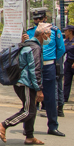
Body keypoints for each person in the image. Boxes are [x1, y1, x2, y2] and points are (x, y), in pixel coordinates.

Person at [0, 23, 45, 145]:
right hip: (25, 83)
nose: (50, 39)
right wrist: (39, 88)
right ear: (42, 35)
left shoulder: (26, 44)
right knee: (29, 111)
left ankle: (29, 136)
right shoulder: (35, 48)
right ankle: (4, 124)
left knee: (29, 109)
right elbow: (35, 69)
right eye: (49, 36)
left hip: (21, 82)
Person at [26, 8, 65, 136]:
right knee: (31, 98)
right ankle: (28, 129)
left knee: (50, 98)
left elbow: (61, 49)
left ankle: (53, 126)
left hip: (48, 67)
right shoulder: (30, 32)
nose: (38, 21)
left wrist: (50, 59)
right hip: (34, 67)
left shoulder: (54, 31)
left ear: (45, 19)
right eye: (35, 19)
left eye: (40, 19)